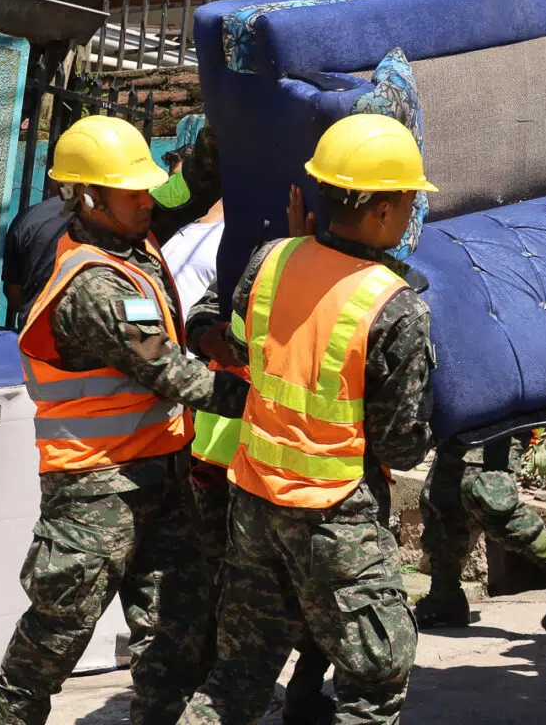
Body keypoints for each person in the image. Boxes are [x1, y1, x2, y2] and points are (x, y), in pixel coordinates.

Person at [176, 114, 439, 725]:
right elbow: (400, 446)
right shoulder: (396, 308)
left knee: (235, 678)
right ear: (379, 211)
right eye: (407, 203)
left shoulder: (271, 259)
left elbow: (240, 346)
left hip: (255, 498)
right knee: (375, 677)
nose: (409, 217)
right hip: (334, 513)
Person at [0, 116, 250, 725]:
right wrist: (274, 400)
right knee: (56, 635)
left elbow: (193, 184)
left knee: (175, 633)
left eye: (145, 188)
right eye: (131, 190)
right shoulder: (96, 286)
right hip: (93, 494)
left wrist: (229, 111)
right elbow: (175, 375)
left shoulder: (132, 235)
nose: (146, 198)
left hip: (161, 477)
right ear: (87, 197)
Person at [164, 196, 337, 725]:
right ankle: (214, 692)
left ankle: (305, 692)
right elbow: (198, 317)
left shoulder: (357, 280)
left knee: (318, 595)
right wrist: (223, 341)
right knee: (225, 597)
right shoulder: (258, 263)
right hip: (223, 461)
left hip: (301, 467)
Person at [412, 434, 546, 632]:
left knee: (486, 495)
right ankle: (445, 595)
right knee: (441, 497)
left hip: (493, 419)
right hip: (466, 419)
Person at [0, 195, 71, 330]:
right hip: (84, 339)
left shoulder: (29, 217)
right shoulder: (107, 220)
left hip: (33, 334)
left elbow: (13, 293)